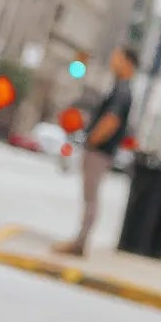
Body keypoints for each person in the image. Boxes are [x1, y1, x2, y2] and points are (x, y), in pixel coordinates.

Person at [57, 43, 135, 257]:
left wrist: (92, 140)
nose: (113, 62)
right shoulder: (121, 88)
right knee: (90, 197)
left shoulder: (122, 90)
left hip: (100, 151)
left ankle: (80, 242)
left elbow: (111, 120)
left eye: (117, 57)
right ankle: (80, 240)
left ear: (128, 63)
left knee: (90, 197)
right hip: (101, 151)